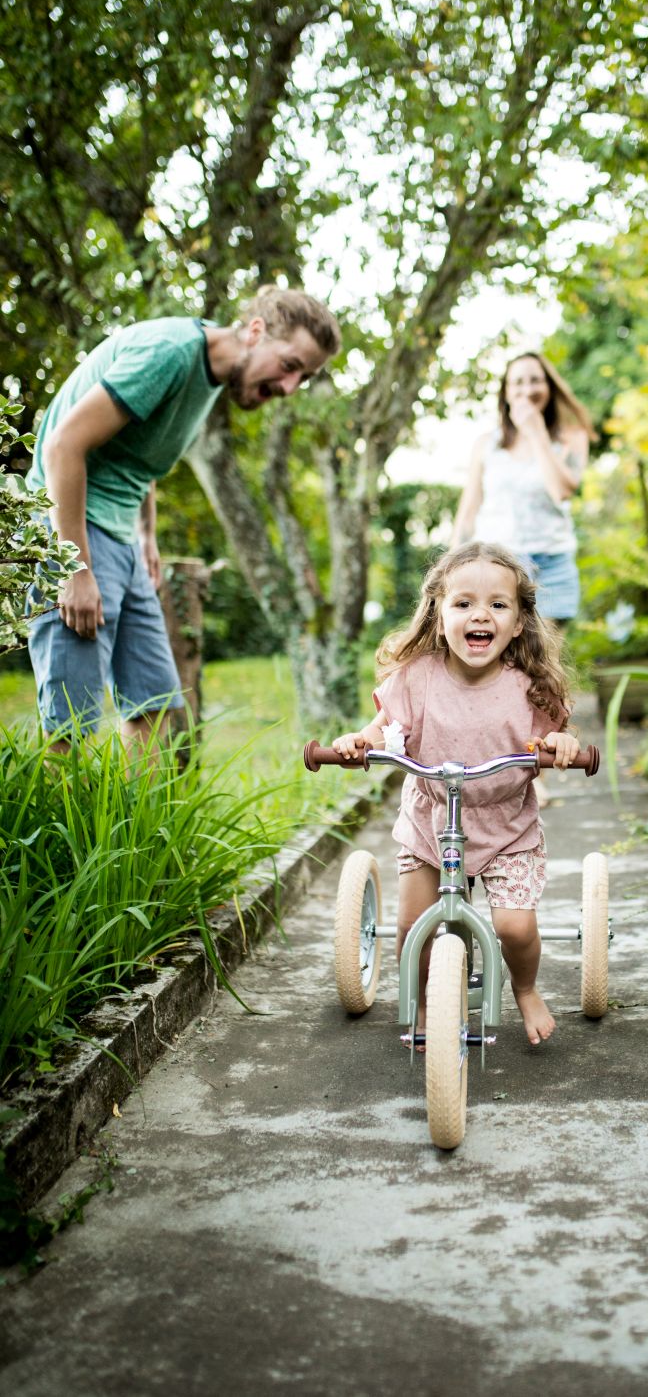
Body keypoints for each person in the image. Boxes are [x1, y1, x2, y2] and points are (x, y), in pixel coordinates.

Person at [26, 285, 341, 748]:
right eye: (290, 365)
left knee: (154, 704)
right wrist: (74, 567)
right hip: (75, 527)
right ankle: (68, 821)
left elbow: (139, 452)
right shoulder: (170, 353)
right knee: (71, 723)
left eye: (303, 378)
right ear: (255, 332)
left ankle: (138, 822)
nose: (289, 388)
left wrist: (147, 534)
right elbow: (61, 446)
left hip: (120, 536)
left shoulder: (210, 377)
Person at [330, 541, 581, 1045]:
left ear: (518, 622)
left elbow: (555, 737)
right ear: (437, 613)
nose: (479, 615)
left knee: (513, 928)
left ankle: (526, 989)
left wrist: (559, 745)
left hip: (506, 826)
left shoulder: (528, 685)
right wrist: (362, 742)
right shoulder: (417, 679)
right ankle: (425, 1007)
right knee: (412, 928)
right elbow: (385, 729)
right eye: (463, 603)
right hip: (431, 820)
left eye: (497, 604)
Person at [451, 352, 597, 627]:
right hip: (496, 568)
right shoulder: (487, 444)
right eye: (517, 382)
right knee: (497, 664)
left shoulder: (572, 439)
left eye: (535, 381)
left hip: (551, 568)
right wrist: (447, 570)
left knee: (542, 666)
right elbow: (468, 512)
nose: (527, 389)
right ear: (506, 393)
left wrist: (536, 432)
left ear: (549, 388)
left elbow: (561, 491)